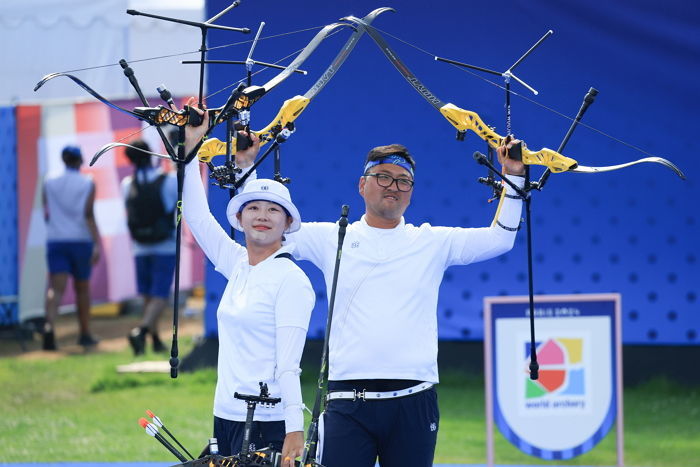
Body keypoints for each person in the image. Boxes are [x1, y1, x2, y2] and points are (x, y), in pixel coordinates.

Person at [233, 134, 526, 467]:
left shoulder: (431, 241)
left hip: (414, 401)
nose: (393, 187)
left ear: (412, 192)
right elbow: (262, 225)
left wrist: (513, 176)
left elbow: (501, 239)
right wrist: (247, 168)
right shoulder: (334, 236)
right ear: (362, 185)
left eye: (404, 181)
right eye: (383, 177)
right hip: (347, 403)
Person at [183, 123, 315, 466]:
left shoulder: (292, 280)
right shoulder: (237, 263)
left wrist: (294, 429)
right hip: (225, 414)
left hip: (269, 423)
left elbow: (289, 366)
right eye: (254, 208)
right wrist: (191, 148)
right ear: (240, 218)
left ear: (287, 223)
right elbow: (196, 216)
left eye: (273, 210)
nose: (262, 216)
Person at [121, 140, 177, 355]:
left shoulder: (127, 184)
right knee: (160, 294)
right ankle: (142, 331)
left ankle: (153, 340)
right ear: (151, 155)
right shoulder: (168, 180)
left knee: (147, 295)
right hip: (165, 245)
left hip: (139, 246)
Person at [42, 145, 101, 350]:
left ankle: (48, 327)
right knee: (82, 289)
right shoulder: (88, 182)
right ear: (79, 160)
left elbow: (46, 210)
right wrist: (97, 243)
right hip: (81, 240)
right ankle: (85, 334)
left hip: (56, 239)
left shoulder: (49, 180)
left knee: (55, 288)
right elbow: (88, 215)